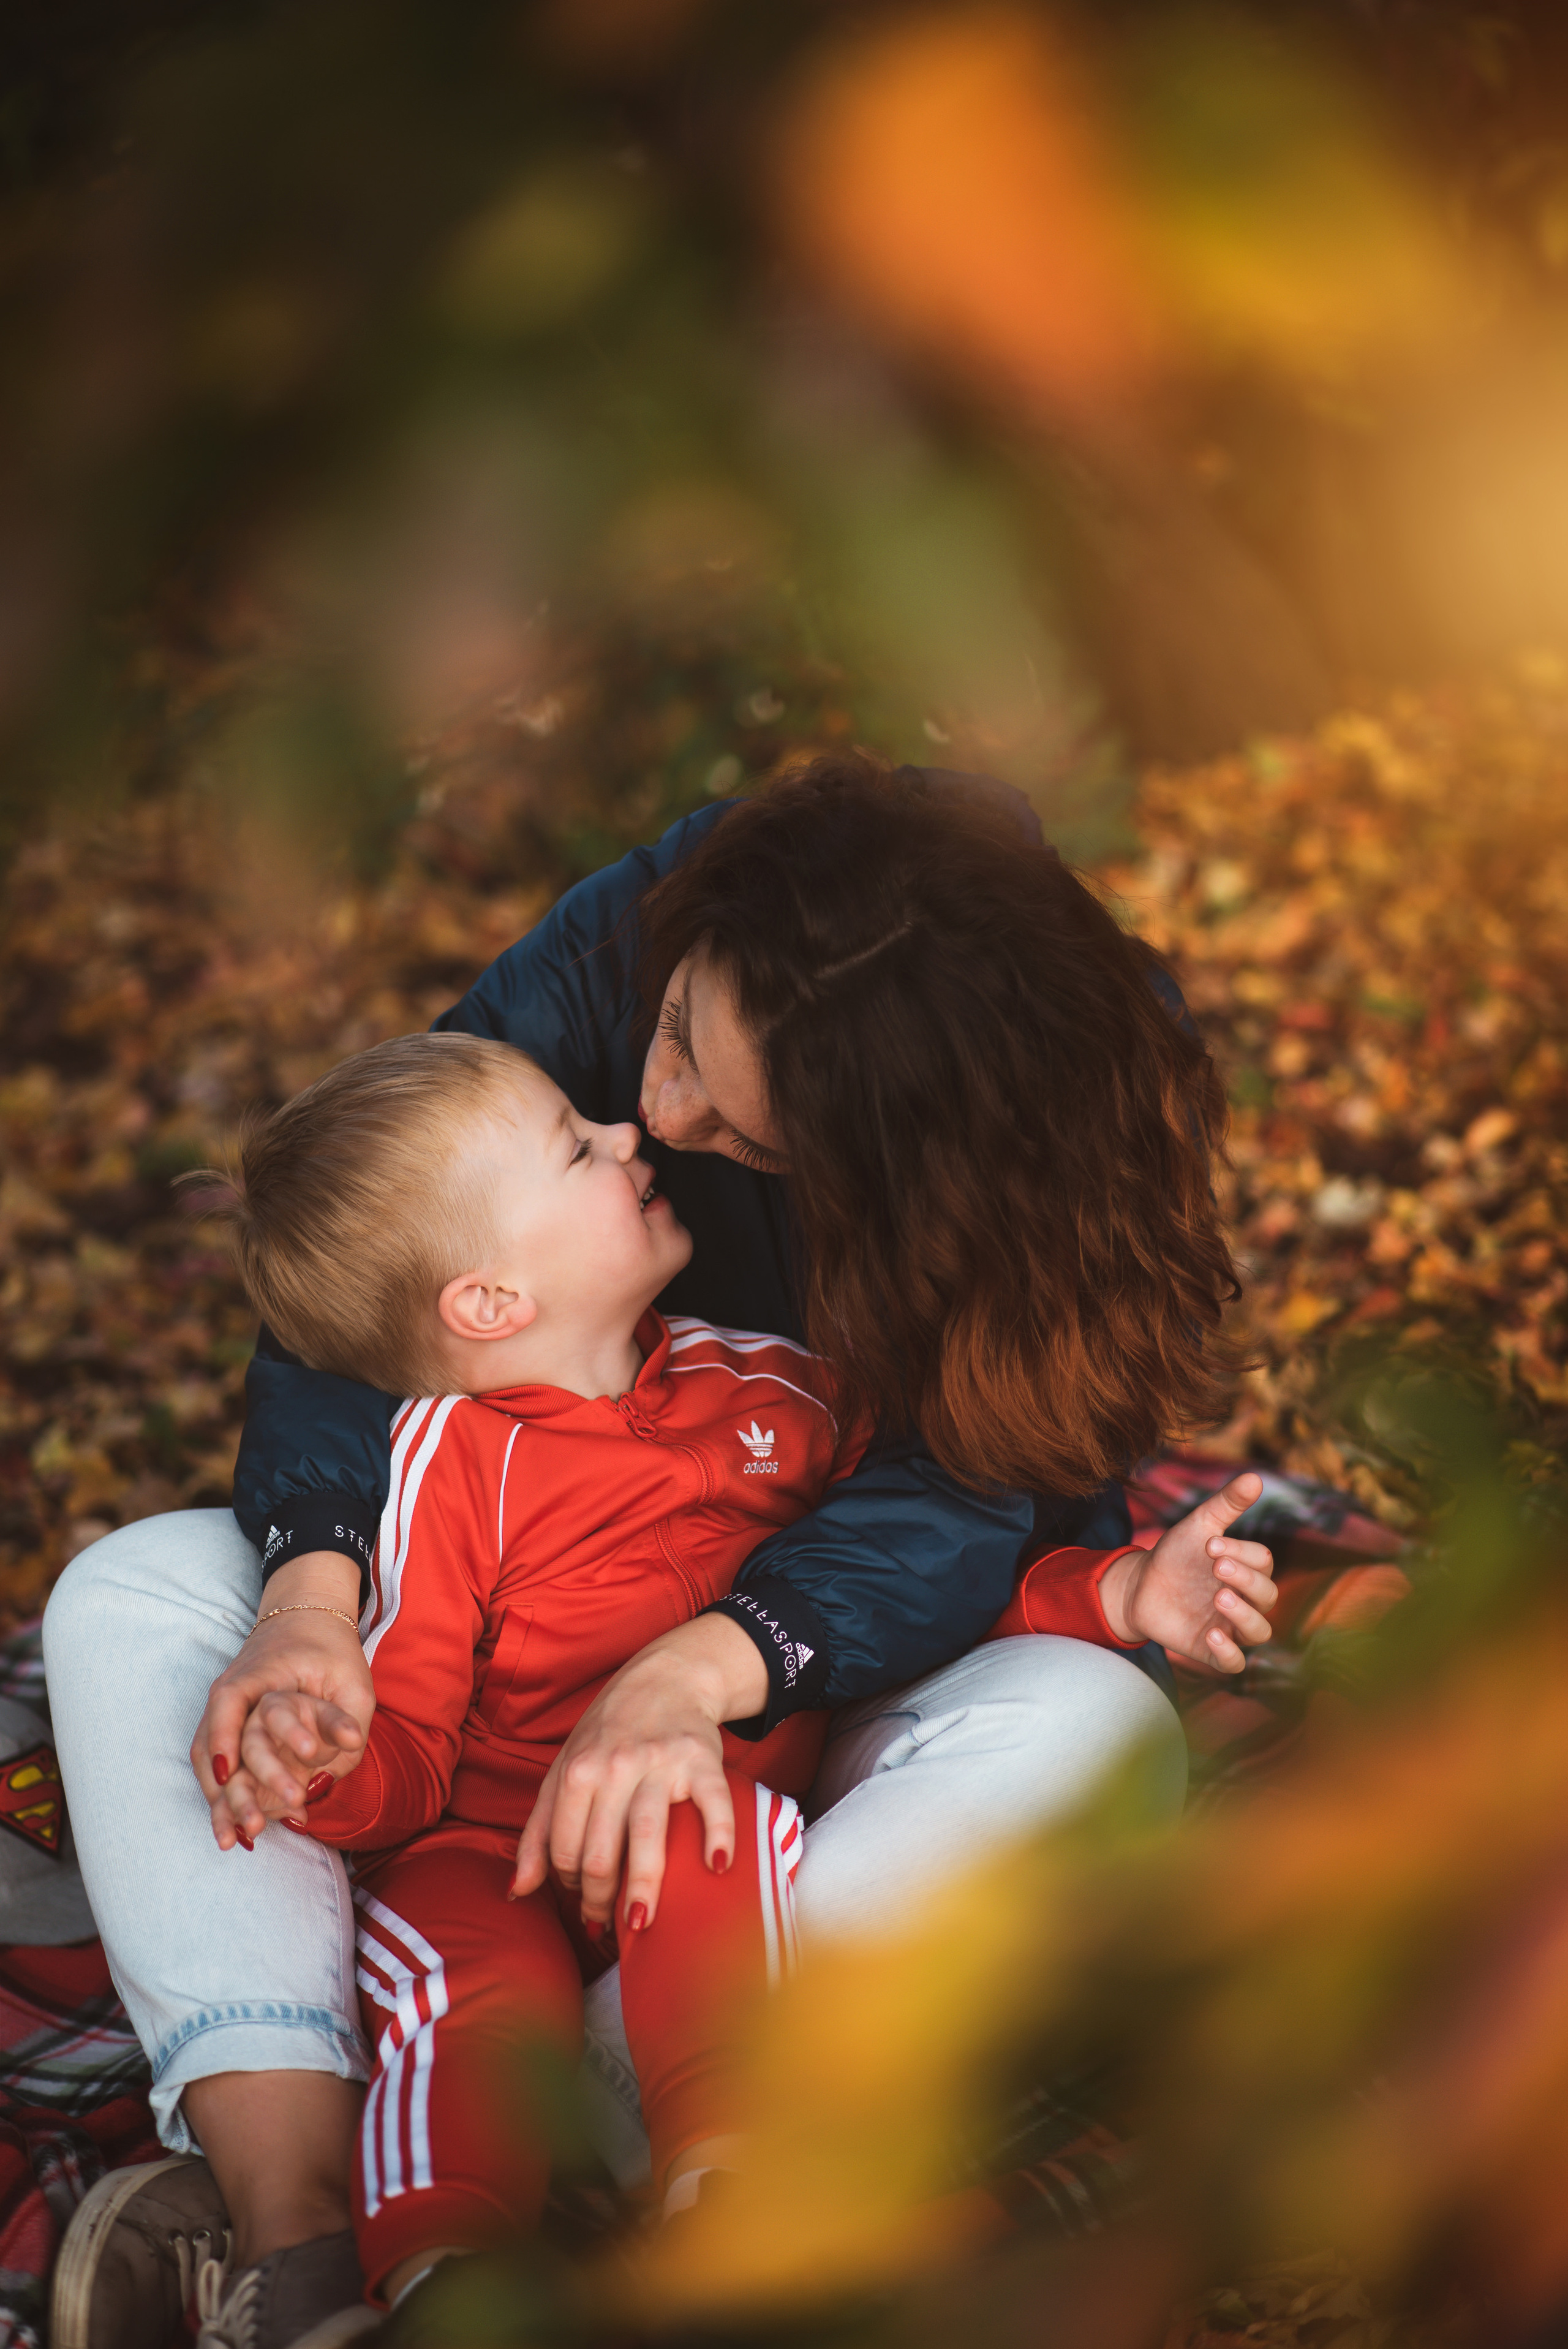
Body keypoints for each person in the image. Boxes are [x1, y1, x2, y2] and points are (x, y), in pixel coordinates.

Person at [43, 756, 1277, 2349]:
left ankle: (609, 2157)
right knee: (129, 1592)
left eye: (746, 1140)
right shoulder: (650, 938)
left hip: (793, 1732)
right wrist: (310, 1606)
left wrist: (700, 1672)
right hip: (486, 1786)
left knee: (1090, 1728)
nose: (656, 1114)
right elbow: (378, 1249)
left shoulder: (1010, 1170)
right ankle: (297, 2230)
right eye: (683, 1033)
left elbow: (975, 1502)